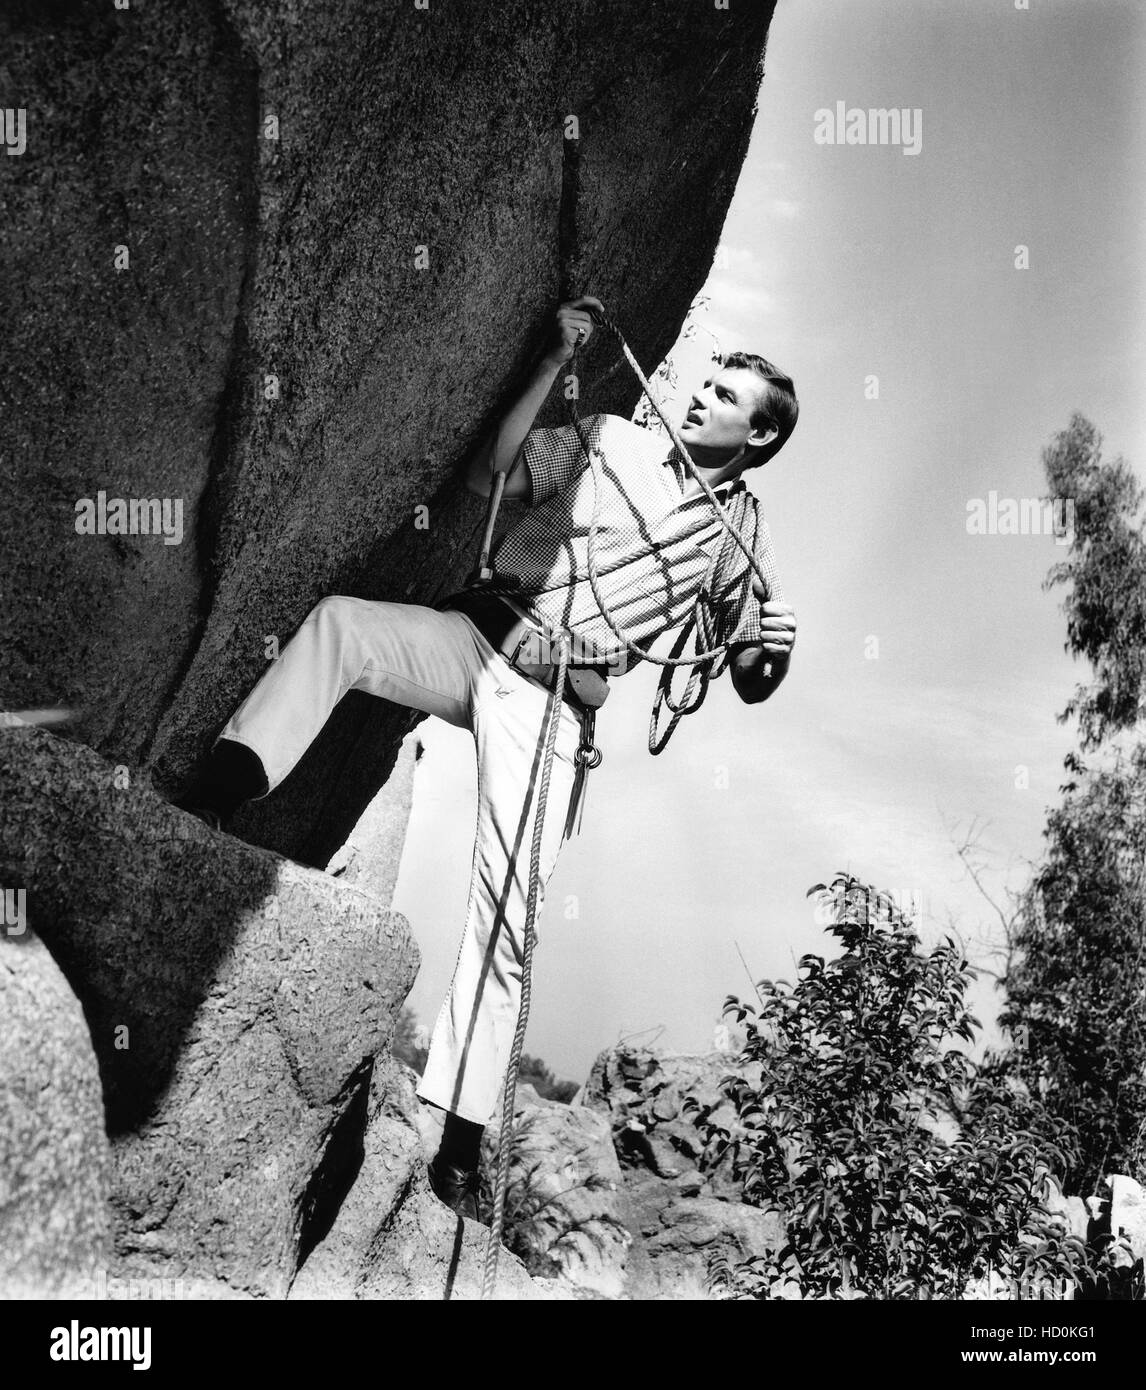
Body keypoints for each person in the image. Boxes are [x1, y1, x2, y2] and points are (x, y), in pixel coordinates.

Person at [176, 296, 799, 1219]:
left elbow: (746, 674)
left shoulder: (738, 535)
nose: (701, 396)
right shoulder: (610, 438)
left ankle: (458, 1150)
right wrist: (551, 362)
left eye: (727, 397)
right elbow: (488, 475)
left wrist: (773, 651)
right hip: (483, 641)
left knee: (508, 923)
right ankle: (218, 797)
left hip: (556, 715)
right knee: (343, 626)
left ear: (760, 436)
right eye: (706, 382)